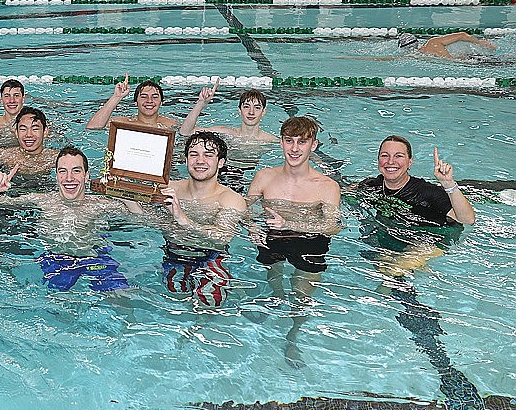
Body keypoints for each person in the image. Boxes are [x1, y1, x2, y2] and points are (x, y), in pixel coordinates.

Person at [246, 117, 341, 368]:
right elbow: (244, 211)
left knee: (301, 298)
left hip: (311, 245)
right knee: (274, 278)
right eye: (289, 141)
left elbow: (333, 227)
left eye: (302, 142)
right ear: (281, 143)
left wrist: (291, 225)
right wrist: (251, 228)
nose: (295, 148)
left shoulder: (327, 186)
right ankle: (275, 298)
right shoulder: (264, 177)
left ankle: (293, 336)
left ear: (314, 145)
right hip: (271, 239)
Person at [0, 146, 142, 292]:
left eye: (76, 171)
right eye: (62, 171)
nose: (69, 178)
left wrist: (126, 193)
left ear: (86, 176)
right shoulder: (43, 201)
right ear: (56, 176)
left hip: (95, 258)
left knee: (121, 297)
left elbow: (141, 219)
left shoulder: (100, 204)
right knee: (58, 307)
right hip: (55, 259)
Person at [352, 136, 475, 289]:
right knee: (382, 267)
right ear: (378, 160)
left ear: (410, 162)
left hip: (435, 236)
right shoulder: (371, 186)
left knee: (393, 271)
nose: (391, 162)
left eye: (399, 156)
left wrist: (448, 184)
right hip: (396, 233)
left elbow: (468, 219)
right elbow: (344, 194)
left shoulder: (427, 192)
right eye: (385, 155)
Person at [159, 132, 248, 307]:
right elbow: (143, 217)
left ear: (220, 162)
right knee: (173, 303)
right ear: (186, 160)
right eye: (194, 154)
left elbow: (223, 237)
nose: (200, 161)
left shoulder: (230, 199)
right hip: (174, 254)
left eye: (208, 155)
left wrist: (183, 219)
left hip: (211, 257)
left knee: (210, 306)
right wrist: (122, 191)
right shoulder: (170, 189)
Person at [178, 81, 277, 143]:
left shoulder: (271, 141)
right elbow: (186, 132)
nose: (251, 112)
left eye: (257, 108)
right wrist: (201, 103)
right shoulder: (226, 134)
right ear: (239, 110)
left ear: (263, 112)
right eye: (246, 107)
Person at [0, 107, 57, 174]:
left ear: (45, 132)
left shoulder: (55, 158)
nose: (29, 135)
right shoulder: (4, 155)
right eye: (23, 129)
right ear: (16, 133)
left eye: (35, 129)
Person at [86, 75, 178, 129]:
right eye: (143, 97)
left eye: (155, 97)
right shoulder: (124, 123)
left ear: (161, 102)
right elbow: (93, 127)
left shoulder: (171, 125)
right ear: (135, 102)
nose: (149, 101)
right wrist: (117, 97)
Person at [395, 31, 498, 59]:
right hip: (474, 58)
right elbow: (462, 35)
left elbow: (392, 59)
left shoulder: (417, 57)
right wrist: (479, 42)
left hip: (470, 62)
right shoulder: (432, 43)